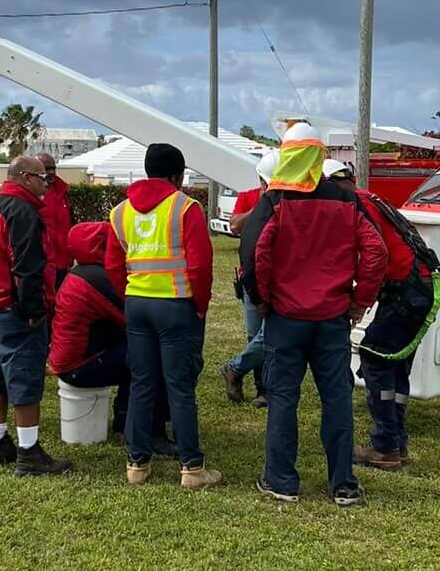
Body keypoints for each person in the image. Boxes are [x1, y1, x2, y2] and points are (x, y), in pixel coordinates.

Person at [242, 124, 387, 506]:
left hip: (285, 317)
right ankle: (343, 484)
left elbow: (254, 253)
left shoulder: (274, 200)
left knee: (282, 398)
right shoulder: (347, 199)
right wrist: (360, 300)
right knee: (336, 398)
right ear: (320, 156)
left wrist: (261, 298)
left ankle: (281, 481)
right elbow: (376, 252)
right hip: (332, 318)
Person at [105, 143, 218, 490]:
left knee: (142, 383)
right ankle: (192, 468)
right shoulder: (186, 207)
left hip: (137, 304)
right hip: (176, 305)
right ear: (178, 175)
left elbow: (112, 264)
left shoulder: (119, 212)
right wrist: (200, 304)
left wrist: (130, 295)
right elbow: (200, 265)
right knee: (179, 387)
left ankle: (136, 465)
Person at [325, 160, 440, 471]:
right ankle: (397, 442)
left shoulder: (354, 205)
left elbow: (376, 254)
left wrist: (359, 302)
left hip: (407, 290)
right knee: (395, 364)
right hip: (422, 286)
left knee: (375, 358)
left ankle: (385, 446)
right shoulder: (370, 198)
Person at [0, 156, 71, 476]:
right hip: (14, 307)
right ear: (26, 177)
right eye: (43, 177)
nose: (47, 183)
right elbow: (27, 267)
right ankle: (29, 453)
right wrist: (34, 311)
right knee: (25, 378)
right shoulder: (23, 212)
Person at [48, 222, 176, 456]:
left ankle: (125, 419)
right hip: (80, 365)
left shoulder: (82, 273)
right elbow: (134, 315)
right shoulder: (100, 278)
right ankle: (151, 433)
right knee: (153, 358)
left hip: (74, 359)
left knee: (135, 351)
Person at [219, 151, 279, 408]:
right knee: (257, 334)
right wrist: (260, 207)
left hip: (277, 278)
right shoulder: (249, 196)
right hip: (251, 278)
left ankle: (238, 370)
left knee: (269, 335)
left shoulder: (288, 199)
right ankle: (260, 387)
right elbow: (234, 225)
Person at [36, 153, 73, 288]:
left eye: (53, 168)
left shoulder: (61, 191)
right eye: (47, 169)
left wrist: (70, 256)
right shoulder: (34, 193)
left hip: (62, 262)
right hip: (43, 262)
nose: (51, 172)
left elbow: (67, 225)